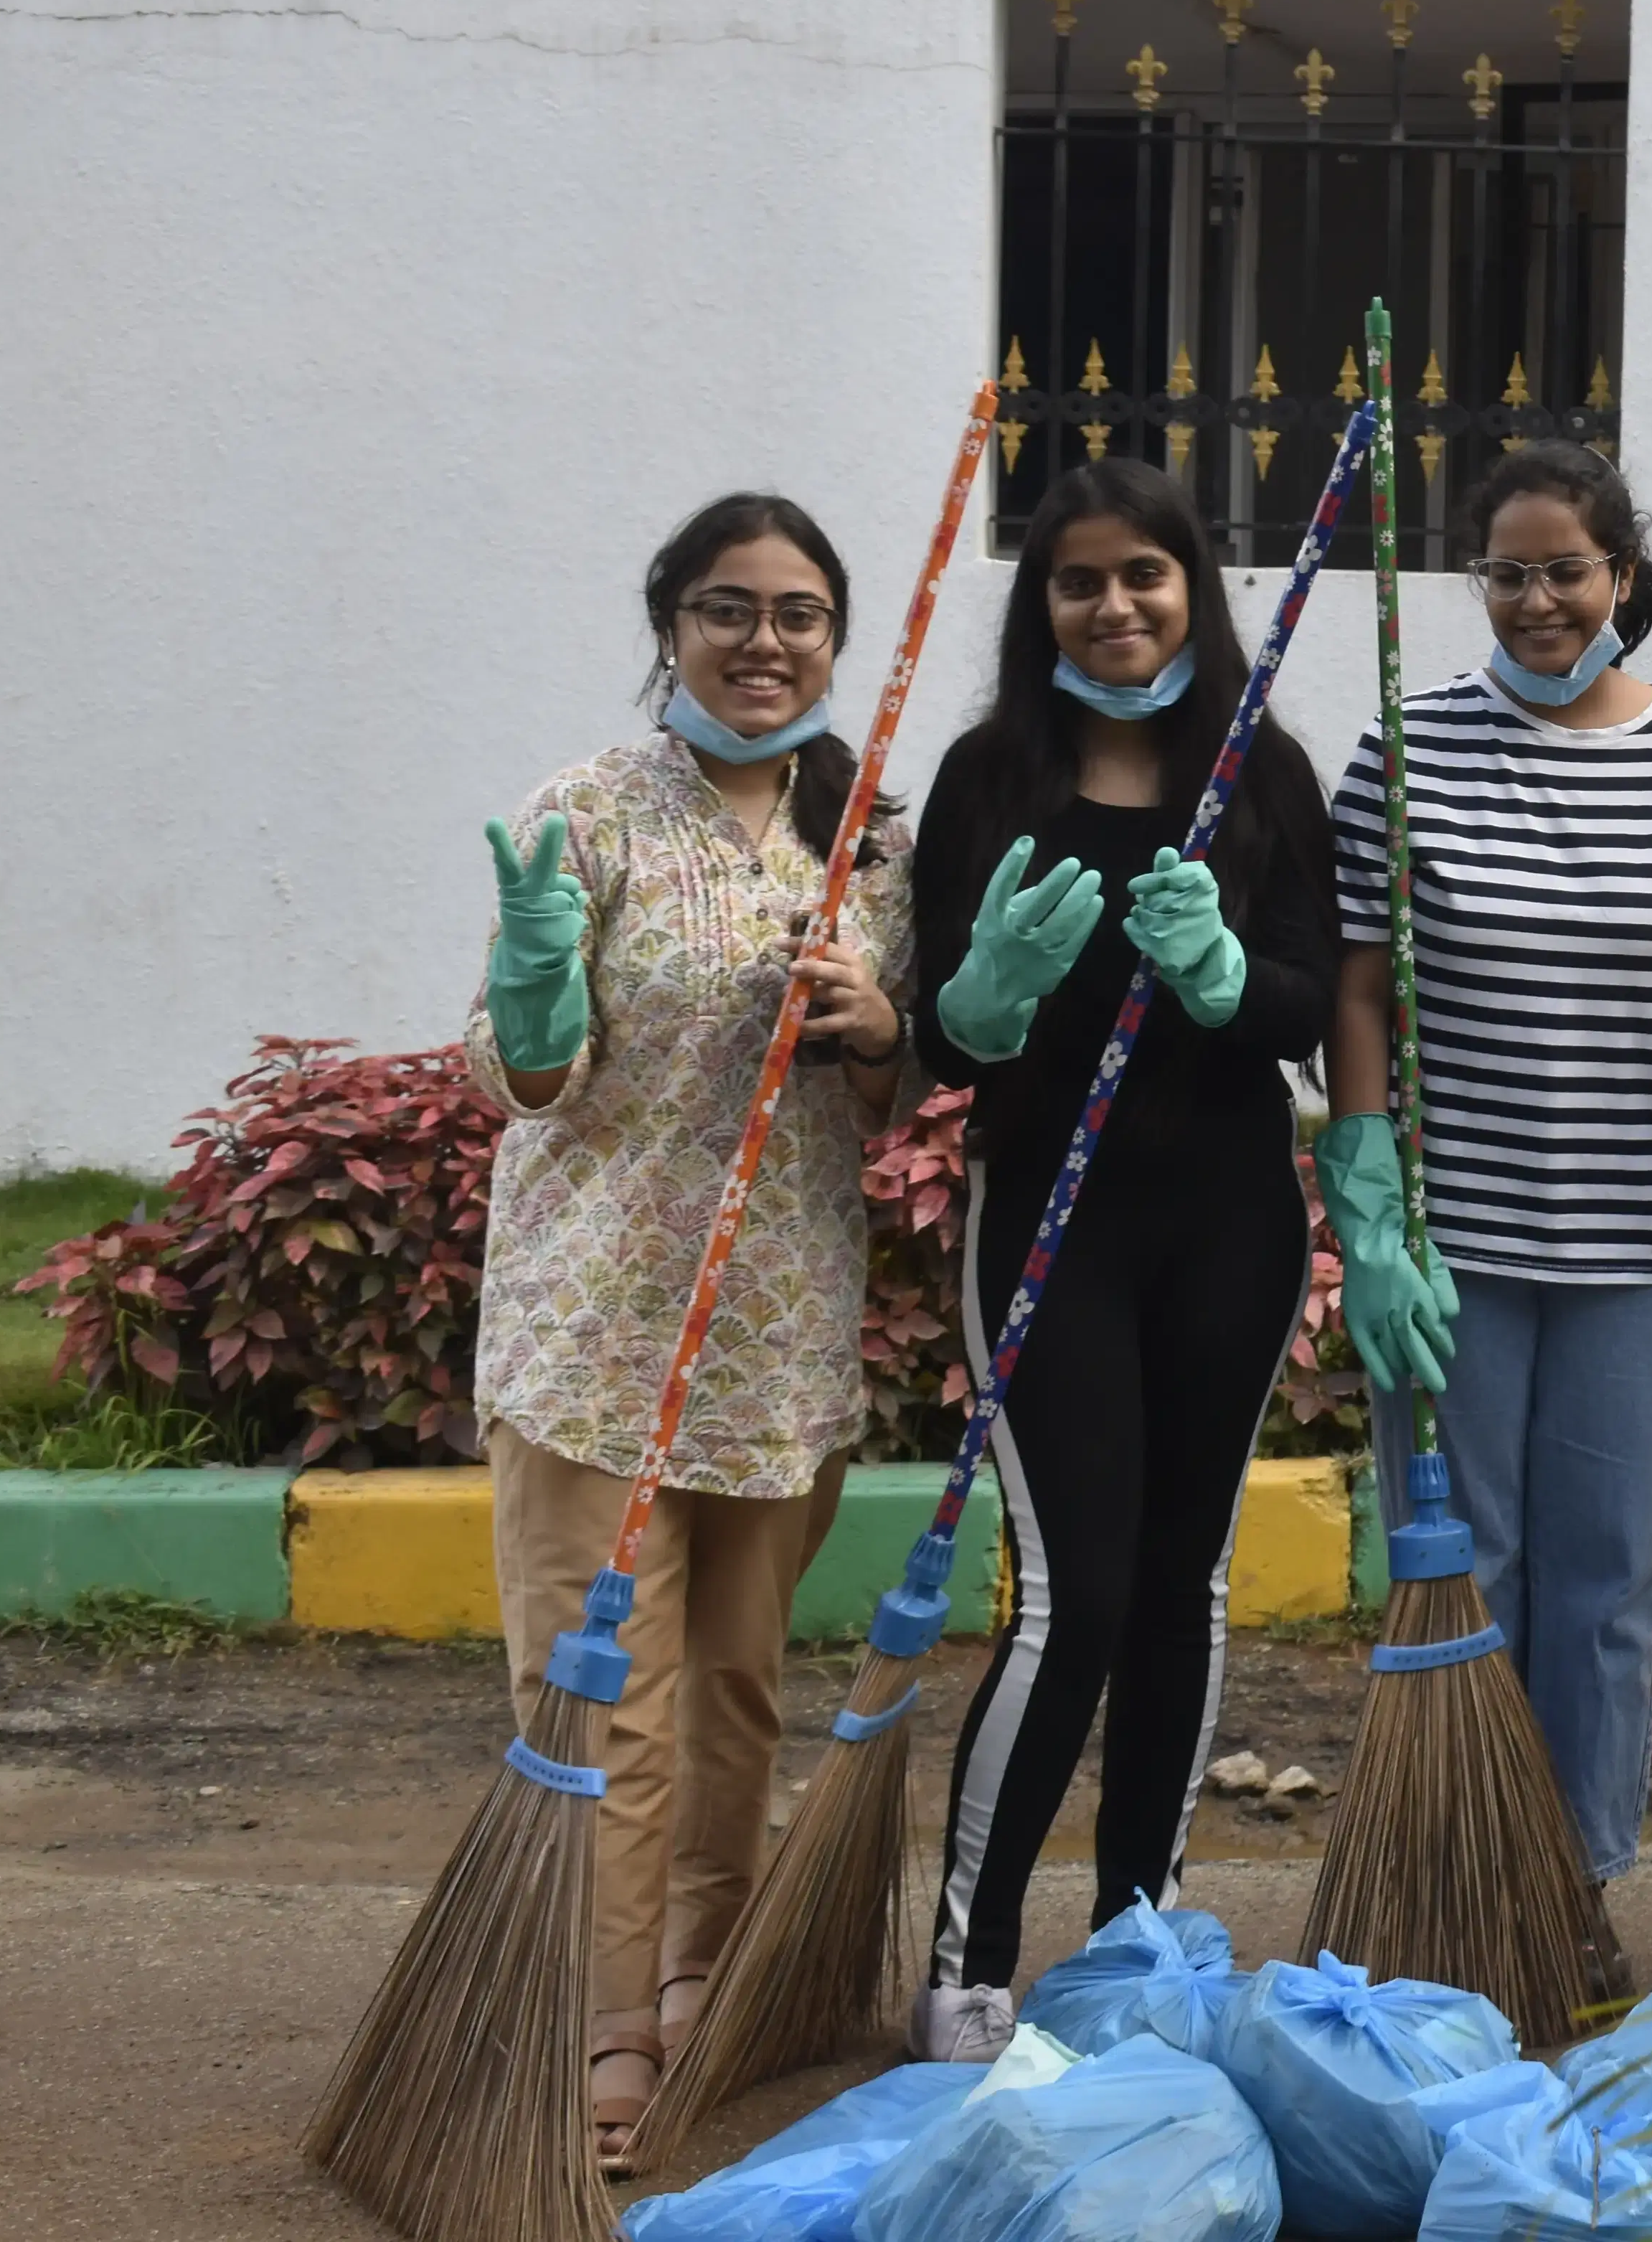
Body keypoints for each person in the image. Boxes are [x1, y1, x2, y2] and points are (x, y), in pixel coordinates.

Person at [468, 491, 915, 2167]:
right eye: (729, 608)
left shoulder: (867, 834)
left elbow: (903, 1089)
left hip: (775, 1336)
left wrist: (880, 1022)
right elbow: (515, 1075)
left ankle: (701, 1977)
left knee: (733, 1686)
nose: (765, 641)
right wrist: (535, 992)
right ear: (669, 622)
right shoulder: (583, 813)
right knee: (599, 1695)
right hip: (596, 1333)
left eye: (799, 613)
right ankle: (594, 2012)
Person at [1320, 443, 1652, 1991]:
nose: (1536, 600)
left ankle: (1574, 1880)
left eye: (1567, 568)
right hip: (1455, 1241)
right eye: (1506, 572)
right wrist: (1368, 1195)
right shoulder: (1404, 751)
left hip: (1641, 1241)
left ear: (1623, 577)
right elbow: (1360, 990)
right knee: (1464, 1563)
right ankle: (1455, 1869)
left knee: (1604, 1580)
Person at [909, 460, 1340, 2058]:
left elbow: (1318, 1000)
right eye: (1078, 580)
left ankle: (1138, 1941)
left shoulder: (1263, 774)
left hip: (1231, 1225)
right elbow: (944, 1023)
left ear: (1193, 588)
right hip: (1051, 1224)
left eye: (1144, 574)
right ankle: (971, 1961)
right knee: (1069, 1599)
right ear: (1043, 608)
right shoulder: (988, 775)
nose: (1114, 604)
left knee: (1180, 1589)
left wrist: (1229, 975)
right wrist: (988, 996)